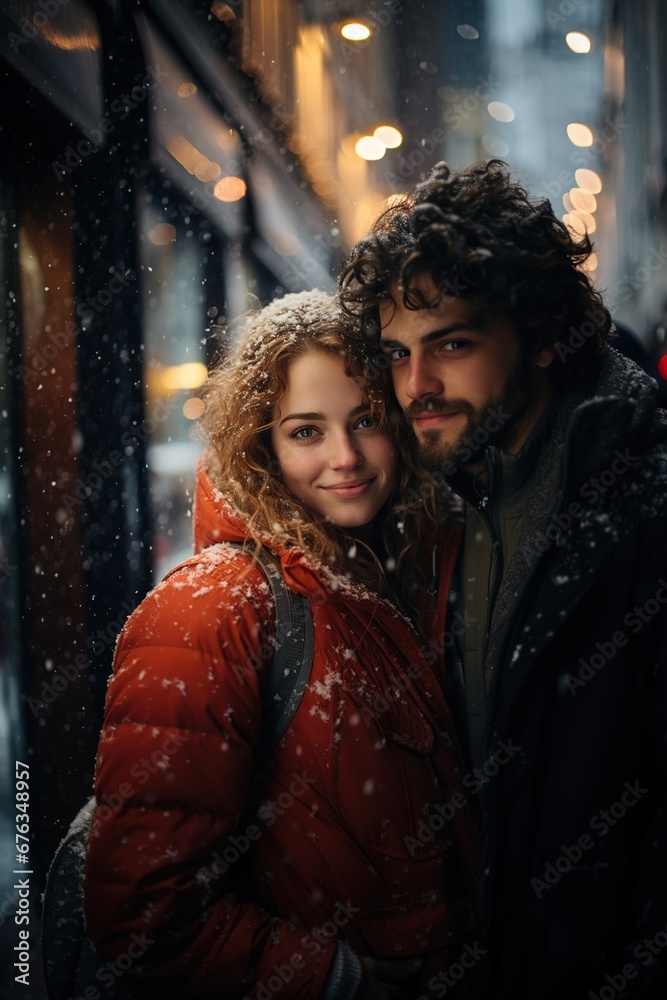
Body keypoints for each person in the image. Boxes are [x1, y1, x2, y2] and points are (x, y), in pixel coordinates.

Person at [83, 290, 477, 999]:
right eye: (305, 432)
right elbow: (141, 911)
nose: (346, 457)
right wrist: (333, 979)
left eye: (365, 420)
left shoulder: (402, 576)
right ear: (258, 444)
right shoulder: (212, 608)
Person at [338, 159, 667, 1000]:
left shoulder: (644, 502)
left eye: (452, 342)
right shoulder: (441, 508)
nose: (417, 386)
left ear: (544, 334)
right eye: (397, 354)